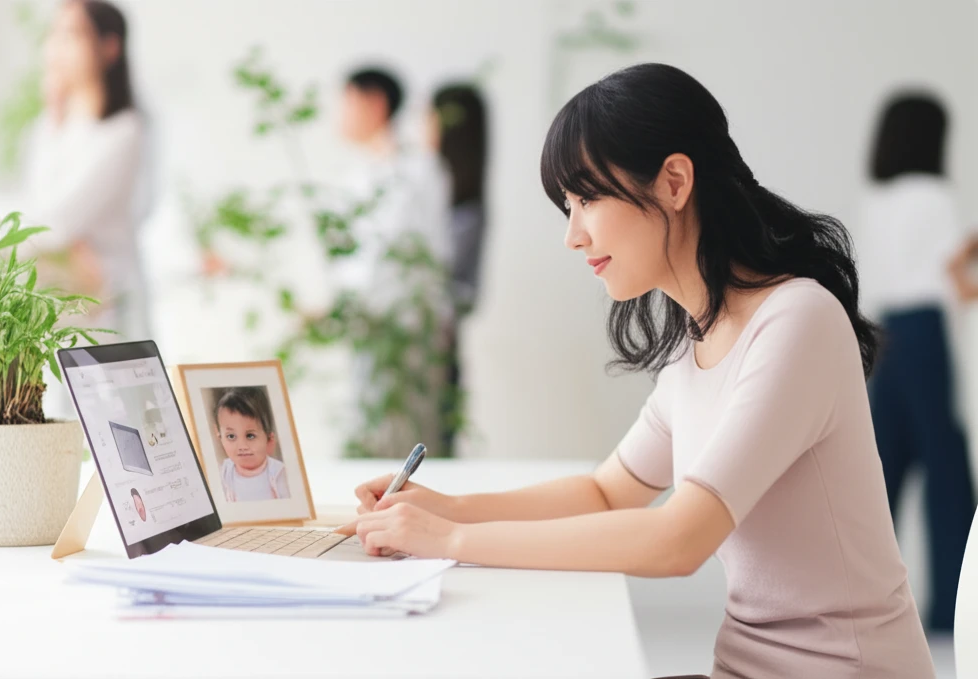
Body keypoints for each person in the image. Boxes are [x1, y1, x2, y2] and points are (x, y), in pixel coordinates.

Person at [343, 64, 937, 678]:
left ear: (675, 181)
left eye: (588, 199)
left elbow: (678, 541)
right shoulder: (696, 340)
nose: (573, 235)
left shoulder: (797, 320)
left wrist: (448, 542)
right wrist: (446, 509)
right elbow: (605, 493)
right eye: (568, 206)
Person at [0, 0, 150, 420]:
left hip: (106, 305)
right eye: (53, 34)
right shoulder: (50, 127)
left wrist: (50, 235)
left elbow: (50, 223)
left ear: (109, 47)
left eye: (71, 34)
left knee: (110, 426)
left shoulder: (122, 132)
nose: (56, 46)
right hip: (59, 297)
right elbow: (33, 218)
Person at [856, 91, 978, 633]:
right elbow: (955, 280)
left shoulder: (875, 198)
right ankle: (954, 608)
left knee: (883, 471)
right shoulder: (934, 194)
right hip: (924, 332)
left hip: (883, 335)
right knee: (947, 472)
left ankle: (863, 607)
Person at [333, 66, 454, 458]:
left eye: (347, 103)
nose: (339, 115)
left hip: (407, 325)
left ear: (375, 103)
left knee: (407, 432)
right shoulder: (355, 177)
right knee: (366, 428)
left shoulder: (419, 170)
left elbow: (431, 251)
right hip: (365, 323)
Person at [427, 83, 489, 453]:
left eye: (429, 118)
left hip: (435, 344)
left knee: (432, 446)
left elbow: (460, 291)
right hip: (430, 342)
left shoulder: (462, 210)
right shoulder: (441, 193)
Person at [214, 387, 290, 502]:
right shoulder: (224, 472)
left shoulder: (279, 473)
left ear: (269, 439)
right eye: (231, 436)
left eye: (250, 436)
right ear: (220, 436)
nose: (242, 446)